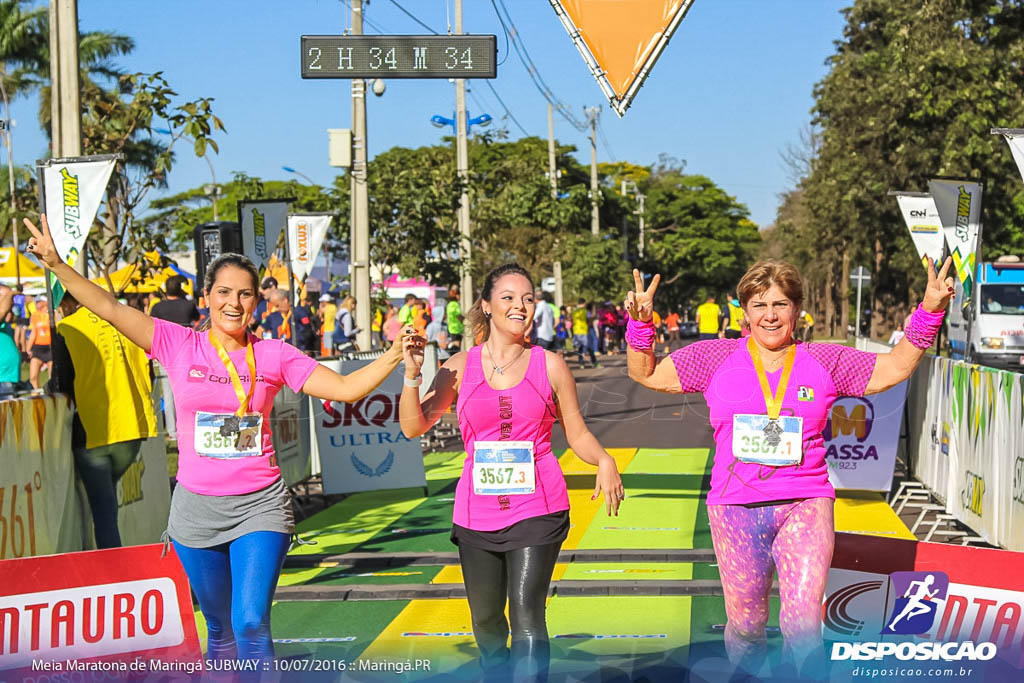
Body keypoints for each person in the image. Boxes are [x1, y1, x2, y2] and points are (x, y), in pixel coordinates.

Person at [23, 213, 415, 666]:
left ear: (257, 302)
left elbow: (346, 389)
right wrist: (55, 263)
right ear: (205, 297)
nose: (234, 302)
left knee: (250, 622)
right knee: (220, 628)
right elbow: (110, 308)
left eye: (245, 293)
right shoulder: (177, 343)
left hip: (260, 506)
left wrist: (391, 355)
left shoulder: (274, 355)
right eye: (224, 292)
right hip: (195, 511)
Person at [621, 259, 953, 678]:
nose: (770, 315)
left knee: (803, 626)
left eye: (780, 304)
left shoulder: (824, 360)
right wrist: (640, 323)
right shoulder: (714, 357)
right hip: (735, 510)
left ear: (797, 309)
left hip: (805, 504)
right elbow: (644, 372)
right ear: (744, 311)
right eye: (759, 305)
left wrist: (930, 308)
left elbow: (895, 367)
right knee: (745, 627)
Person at [398, 263, 624, 681]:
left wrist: (605, 460)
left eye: (527, 298)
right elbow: (414, 426)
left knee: (526, 615)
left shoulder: (551, 365)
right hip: (475, 514)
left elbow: (577, 434)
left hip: (538, 507)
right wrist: (412, 376)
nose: (520, 306)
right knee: (485, 623)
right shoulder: (459, 366)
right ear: (486, 305)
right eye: (508, 297)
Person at [50, 291, 158, 548]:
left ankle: (113, 571)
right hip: (133, 427)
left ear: (66, 303)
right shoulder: (131, 322)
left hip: (94, 429)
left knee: (103, 511)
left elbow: (62, 382)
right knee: (107, 502)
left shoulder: (67, 328)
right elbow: (150, 374)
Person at [0, 285, 22, 399]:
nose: (11, 302)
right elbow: (2, 311)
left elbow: (8, 316)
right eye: (5, 298)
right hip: (2, 378)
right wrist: (10, 294)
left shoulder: (4, 322)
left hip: (8, 377)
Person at [27, 295, 52, 390]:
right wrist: (28, 348)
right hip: (38, 347)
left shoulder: (53, 314)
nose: (37, 304)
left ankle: (51, 397)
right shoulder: (35, 315)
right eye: (37, 302)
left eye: (39, 301)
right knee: (33, 378)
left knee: (52, 377)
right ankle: (36, 397)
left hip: (50, 347)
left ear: (46, 302)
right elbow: (34, 332)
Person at [571, 299, 595, 369]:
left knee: (580, 348)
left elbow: (571, 321)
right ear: (584, 303)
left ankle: (581, 363)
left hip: (576, 332)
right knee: (589, 347)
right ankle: (594, 362)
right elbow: (589, 320)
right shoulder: (586, 311)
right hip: (584, 331)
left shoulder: (574, 312)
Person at [446, 285, 464, 352]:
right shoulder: (455, 304)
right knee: (456, 346)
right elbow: (458, 315)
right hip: (456, 328)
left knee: (455, 345)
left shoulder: (449, 304)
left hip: (451, 328)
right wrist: (464, 319)